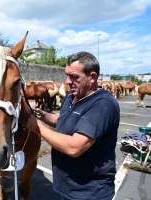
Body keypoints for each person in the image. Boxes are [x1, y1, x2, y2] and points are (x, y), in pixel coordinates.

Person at [25, 51, 120, 200]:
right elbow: (63, 119)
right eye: (67, 75)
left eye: (74, 77)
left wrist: (38, 127)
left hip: (88, 192)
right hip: (67, 187)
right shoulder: (73, 95)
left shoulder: (102, 105)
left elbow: (74, 148)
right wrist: (41, 115)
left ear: (92, 77)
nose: (68, 81)